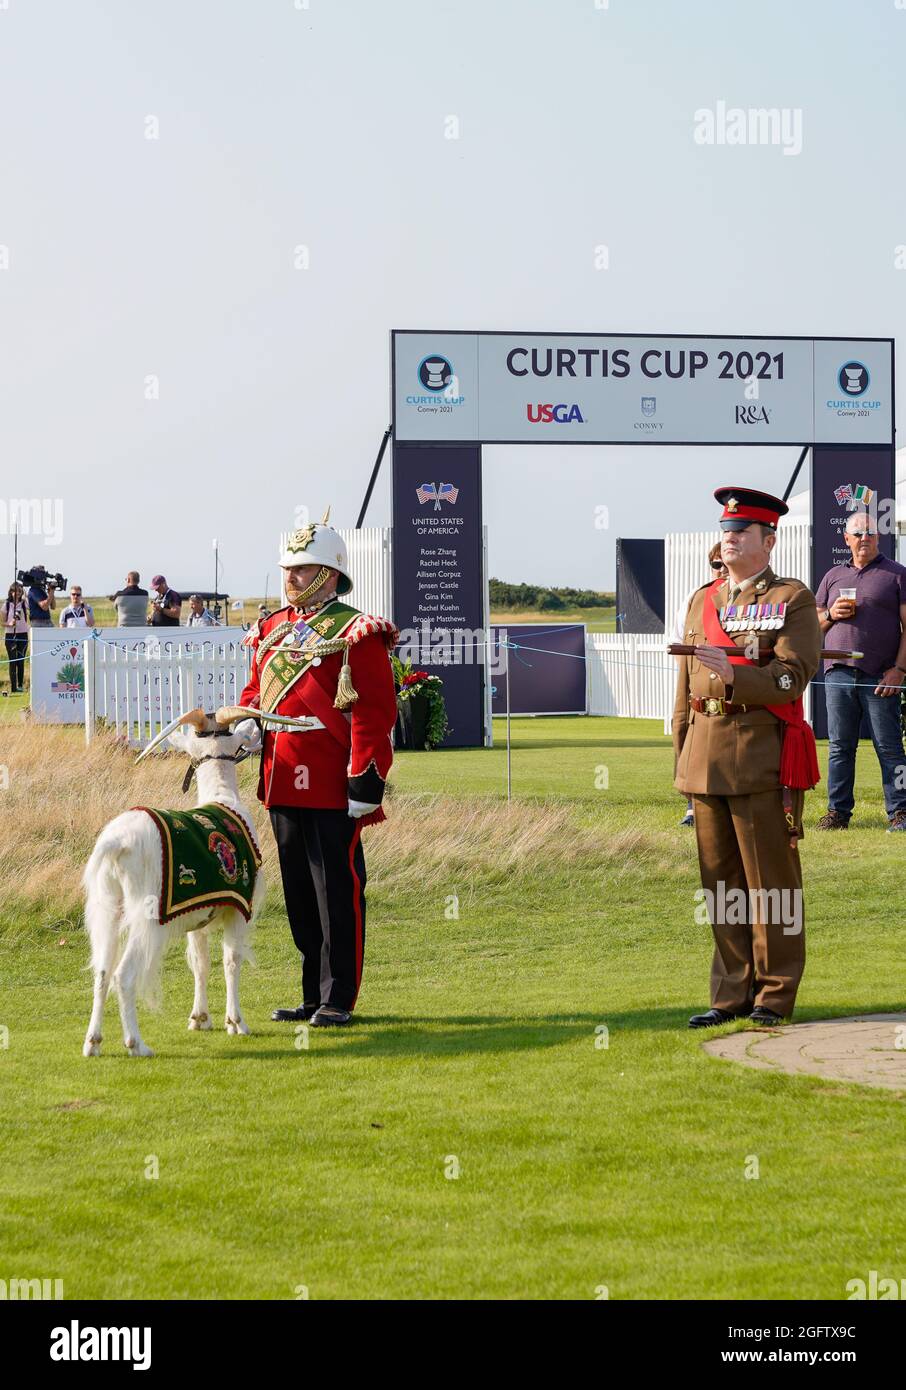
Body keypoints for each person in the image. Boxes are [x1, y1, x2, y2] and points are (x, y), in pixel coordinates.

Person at [238, 508, 398, 1027]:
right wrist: (247, 723)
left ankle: (339, 998)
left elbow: (373, 710)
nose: (290, 577)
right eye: (288, 568)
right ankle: (311, 994)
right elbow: (256, 691)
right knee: (300, 895)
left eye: (301, 569)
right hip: (282, 774)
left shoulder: (356, 630)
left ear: (328, 573)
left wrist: (365, 777)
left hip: (332, 778)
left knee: (337, 891)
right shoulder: (270, 629)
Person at [673, 487, 821, 1028]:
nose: (729, 539)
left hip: (759, 756)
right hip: (705, 756)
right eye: (726, 531)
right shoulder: (702, 599)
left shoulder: (793, 598)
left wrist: (739, 676)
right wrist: (682, 759)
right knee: (721, 885)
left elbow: (793, 675)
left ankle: (774, 995)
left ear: (768, 540)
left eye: (741, 532)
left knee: (772, 886)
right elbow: (684, 690)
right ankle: (730, 993)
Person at [814, 511, 906, 833]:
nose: (864, 538)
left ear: (878, 537)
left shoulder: (897, 574)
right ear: (847, 539)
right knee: (840, 746)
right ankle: (837, 813)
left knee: (890, 745)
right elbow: (814, 627)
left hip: (881, 675)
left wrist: (899, 670)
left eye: (869, 532)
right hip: (837, 672)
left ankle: (901, 812)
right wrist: (832, 614)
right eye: (857, 533)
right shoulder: (832, 576)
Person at [673, 541, 727, 827]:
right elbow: (679, 640)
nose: (721, 570)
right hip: (695, 680)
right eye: (716, 565)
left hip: (732, 685)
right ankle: (691, 805)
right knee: (683, 731)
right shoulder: (696, 597)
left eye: (725, 564)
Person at [4, 582, 28, 693]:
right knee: (13, 661)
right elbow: (1, 622)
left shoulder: (24, 603)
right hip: (10, 635)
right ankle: (13, 688)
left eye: (19, 591)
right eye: (15, 591)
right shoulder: (7, 605)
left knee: (21, 661)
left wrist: (26, 596)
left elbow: (31, 607)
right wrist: (9, 624)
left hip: (23, 634)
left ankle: (20, 686)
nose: (17, 593)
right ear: (11, 592)